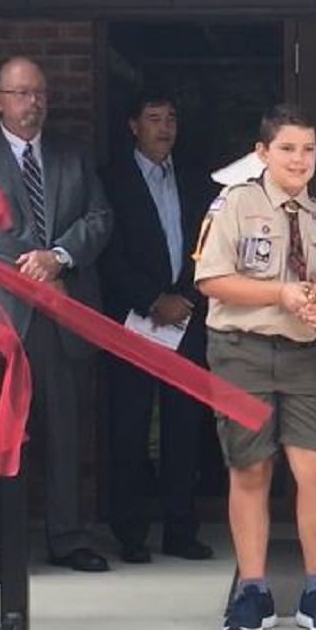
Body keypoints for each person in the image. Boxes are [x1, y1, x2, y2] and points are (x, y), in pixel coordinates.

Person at [194, 103, 316, 630]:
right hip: (242, 350)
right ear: (262, 153)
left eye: (308, 149)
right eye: (287, 148)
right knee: (251, 468)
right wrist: (279, 293)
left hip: (303, 355)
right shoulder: (235, 204)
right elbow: (211, 279)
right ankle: (253, 591)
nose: (299, 159)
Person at [0, 57, 114, 584]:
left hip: (61, 316)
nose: (32, 103)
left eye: (39, 93)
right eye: (20, 94)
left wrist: (60, 257)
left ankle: (68, 537)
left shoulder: (73, 154)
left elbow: (99, 217)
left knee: (64, 430)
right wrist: (35, 264)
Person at [99, 95, 214, 564]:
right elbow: (109, 253)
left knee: (184, 426)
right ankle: (130, 531)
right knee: (129, 425)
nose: (164, 129)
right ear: (133, 125)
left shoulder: (193, 180)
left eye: (171, 119)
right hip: (133, 319)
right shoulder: (111, 180)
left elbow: (208, 244)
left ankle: (181, 530)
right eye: (153, 119)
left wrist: (185, 297)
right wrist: (151, 300)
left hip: (184, 318)